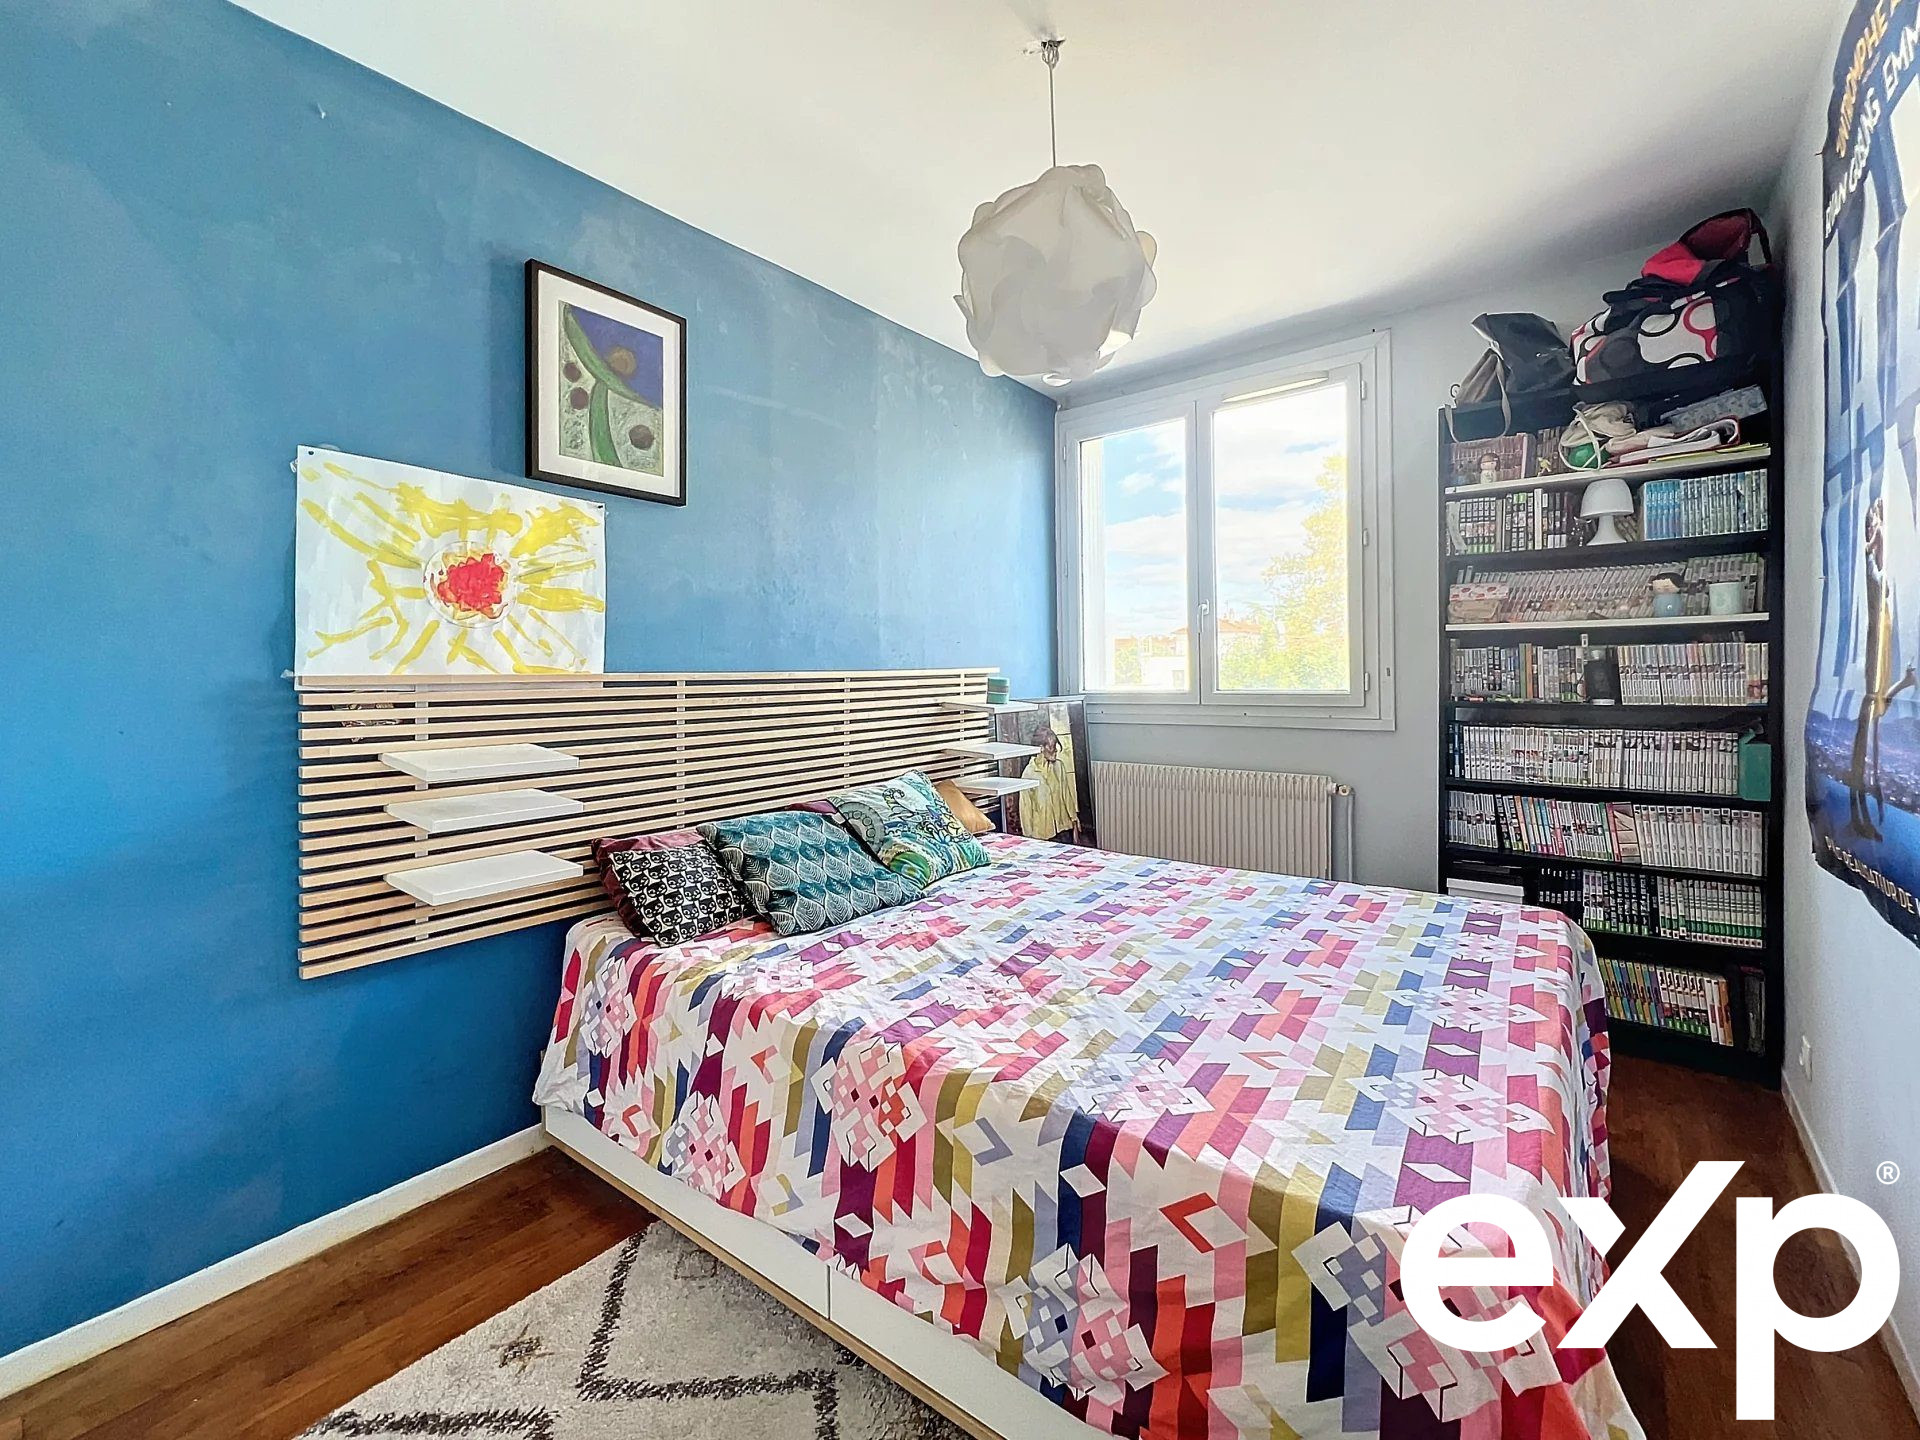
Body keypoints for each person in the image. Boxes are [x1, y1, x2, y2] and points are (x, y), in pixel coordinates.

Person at [1849, 497, 1917, 838]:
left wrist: (1903, 683)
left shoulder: (1882, 572)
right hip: (1874, 658)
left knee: (1870, 731)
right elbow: (1868, 554)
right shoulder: (1871, 567)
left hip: (1882, 658)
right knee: (1863, 747)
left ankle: (1863, 816)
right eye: (1874, 525)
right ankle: (1859, 816)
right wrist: (1873, 537)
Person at [1015, 722, 1083, 844]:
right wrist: (1028, 838)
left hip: (1063, 829)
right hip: (1042, 834)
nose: (1056, 750)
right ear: (1041, 748)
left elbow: (1067, 795)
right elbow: (1025, 809)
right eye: (1052, 746)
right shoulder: (1029, 774)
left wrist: (1074, 819)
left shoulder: (1059, 767)